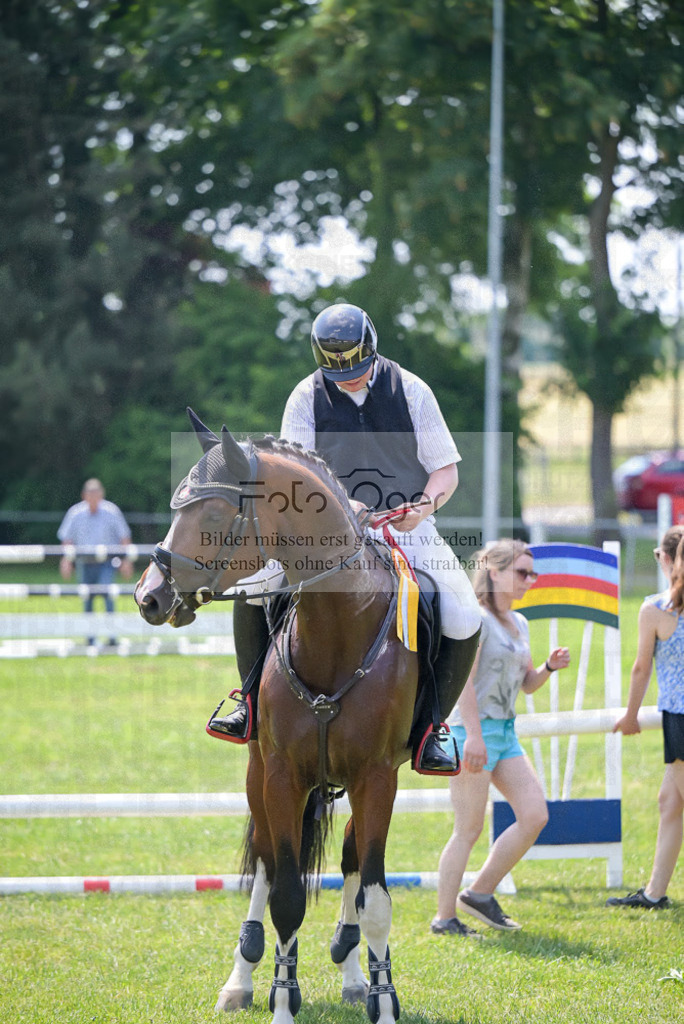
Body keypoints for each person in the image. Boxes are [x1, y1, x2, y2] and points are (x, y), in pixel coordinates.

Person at [208, 302, 483, 774]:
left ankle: (433, 727)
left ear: (372, 351)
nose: (348, 379)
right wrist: (339, 504)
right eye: (337, 374)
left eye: (355, 369)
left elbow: (445, 470)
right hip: (322, 528)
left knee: (463, 611)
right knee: (251, 587)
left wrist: (425, 506)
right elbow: (297, 471)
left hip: (403, 524)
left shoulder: (412, 390)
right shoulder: (304, 397)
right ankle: (248, 702)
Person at [431, 539, 571, 935]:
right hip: (471, 732)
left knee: (534, 815)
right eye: (522, 572)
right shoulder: (475, 618)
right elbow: (464, 685)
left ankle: (478, 894)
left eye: (533, 573)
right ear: (494, 571)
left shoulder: (520, 622)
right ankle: (444, 918)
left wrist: (548, 667)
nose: (530, 580)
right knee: (469, 829)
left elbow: (527, 685)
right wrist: (472, 736)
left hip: (505, 733)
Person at [606, 524, 684, 911]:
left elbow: (641, 669)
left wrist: (631, 714)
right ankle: (654, 892)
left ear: (668, 559)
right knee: (669, 801)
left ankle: (654, 892)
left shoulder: (656, 608)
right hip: (678, 716)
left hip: (681, 716)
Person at [57, 478, 133, 645]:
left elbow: (124, 537)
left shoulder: (111, 511)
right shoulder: (75, 513)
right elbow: (67, 539)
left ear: (101, 494)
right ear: (84, 495)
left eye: (96, 493)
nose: (93, 497)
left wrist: (126, 561)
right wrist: (66, 560)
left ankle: (112, 636)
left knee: (108, 594)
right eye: (90, 494)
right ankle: (90, 637)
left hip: (107, 562)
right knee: (87, 598)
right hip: (84, 562)